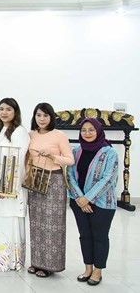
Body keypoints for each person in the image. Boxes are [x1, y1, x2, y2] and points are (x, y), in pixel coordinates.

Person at [67, 118, 118, 286]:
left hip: (102, 203)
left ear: (98, 131)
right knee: (85, 236)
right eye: (83, 130)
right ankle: (88, 268)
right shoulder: (76, 151)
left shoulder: (110, 152)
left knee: (100, 236)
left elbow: (108, 178)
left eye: (91, 130)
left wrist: (87, 198)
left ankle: (98, 271)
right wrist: (80, 198)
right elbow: (70, 176)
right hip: (78, 201)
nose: (87, 133)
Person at [26, 103, 74, 277]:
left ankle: (50, 265)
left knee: (53, 224)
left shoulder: (59, 135)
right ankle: (36, 262)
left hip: (54, 180)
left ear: (51, 117)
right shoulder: (31, 135)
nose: (42, 119)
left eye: (45, 115)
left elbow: (70, 160)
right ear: (34, 117)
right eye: (39, 115)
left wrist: (53, 156)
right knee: (36, 222)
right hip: (35, 179)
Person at [0, 98, 30, 272]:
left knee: (12, 219)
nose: (4, 112)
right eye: (1, 109)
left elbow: (18, 160)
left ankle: (14, 260)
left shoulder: (19, 132)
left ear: (15, 113)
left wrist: (8, 185)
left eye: (8, 110)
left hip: (11, 186)